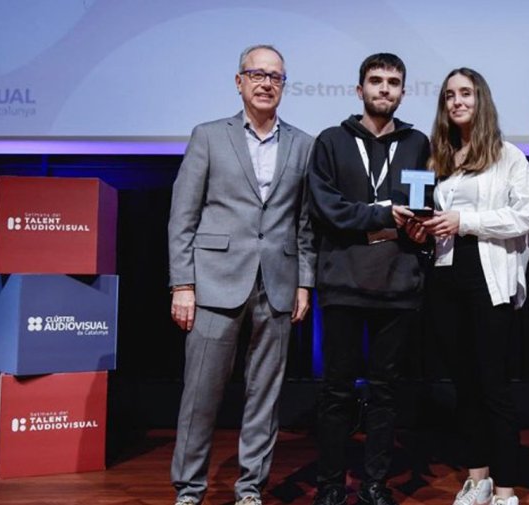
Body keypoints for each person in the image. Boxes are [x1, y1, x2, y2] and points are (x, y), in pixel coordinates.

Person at [167, 44, 316, 505]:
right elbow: (182, 217)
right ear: (239, 82)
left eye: (276, 77)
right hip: (213, 283)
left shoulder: (303, 144)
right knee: (201, 396)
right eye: (257, 74)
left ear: (284, 86)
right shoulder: (209, 136)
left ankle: (250, 487)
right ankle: (189, 490)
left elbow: (305, 222)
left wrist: (305, 282)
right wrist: (183, 284)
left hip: (277, 284)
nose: (266, 82)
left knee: (264, 397)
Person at [307, 52, 431, 505]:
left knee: (385, 393)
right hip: (342, 282)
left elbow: (418, 208)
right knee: (337, 392)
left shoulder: (417, 143)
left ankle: (375, 484)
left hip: (398, 285)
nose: (385, 89)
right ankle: (331, 484)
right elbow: (327, 208)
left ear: (402, 91)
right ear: (359, 90)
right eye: (376, 81)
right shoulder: (331, 142)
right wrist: (381, 215)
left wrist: (414, 225)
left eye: (393, 82)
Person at [418, 68, 529, 505]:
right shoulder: (439, 158)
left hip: (489, 279)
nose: (456, 101)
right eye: (449, 95)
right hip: (445, 278)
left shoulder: (508, 156)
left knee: (493, 384)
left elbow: (525, 217)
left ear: (480, 99)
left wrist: (465, 221)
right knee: (463, 384)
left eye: (465, 93)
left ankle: (505, 487)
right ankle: (477, 478)